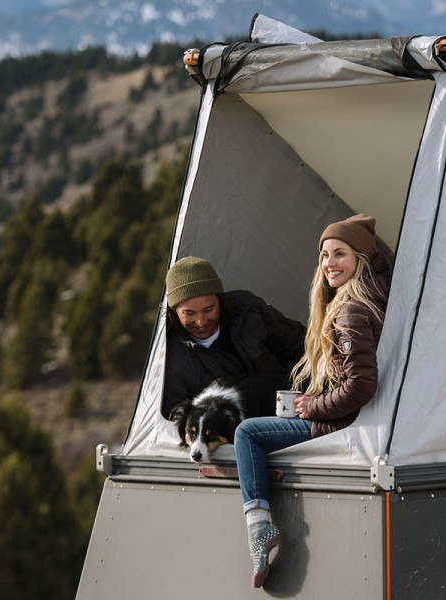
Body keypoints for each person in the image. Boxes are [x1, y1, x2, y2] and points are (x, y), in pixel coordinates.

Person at [233, 213, 391, 588]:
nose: (329, 264)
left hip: (339, 423)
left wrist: (312, 407)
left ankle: (259, 528)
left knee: (247, 434)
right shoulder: (370, 297)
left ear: (361, 260)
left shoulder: (351, 310)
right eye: (324, 255)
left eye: (340, 254)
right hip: (343, 417)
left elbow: (361, 385)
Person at [161, 256, 306, 417]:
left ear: (220, 300)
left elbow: (303, 345)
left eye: (209, 309)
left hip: (291, 410)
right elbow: (175, 415)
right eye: (189, 313)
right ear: (174, 311)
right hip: (230, 435)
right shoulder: (169, 353)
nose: (201, 321)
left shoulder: (248, 310)